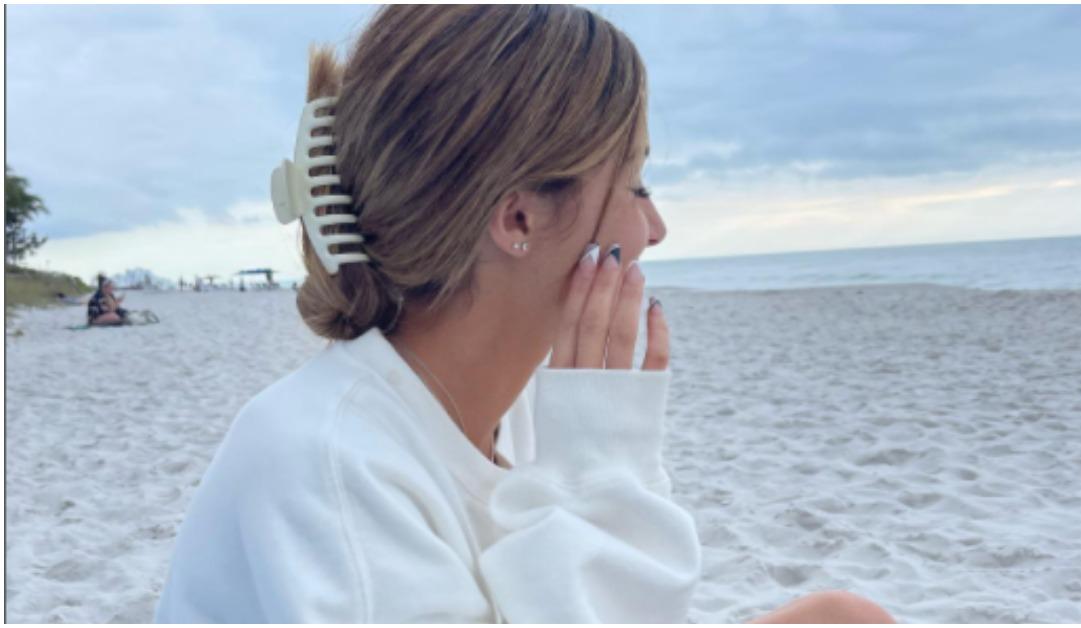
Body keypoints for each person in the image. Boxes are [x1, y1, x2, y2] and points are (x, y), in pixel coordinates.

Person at [154, 5, 895, 624]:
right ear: (517, 218)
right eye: (635, 184)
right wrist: (603, 464)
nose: (656, 228)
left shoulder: (519, 412)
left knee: (844, 619)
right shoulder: (328, 467)